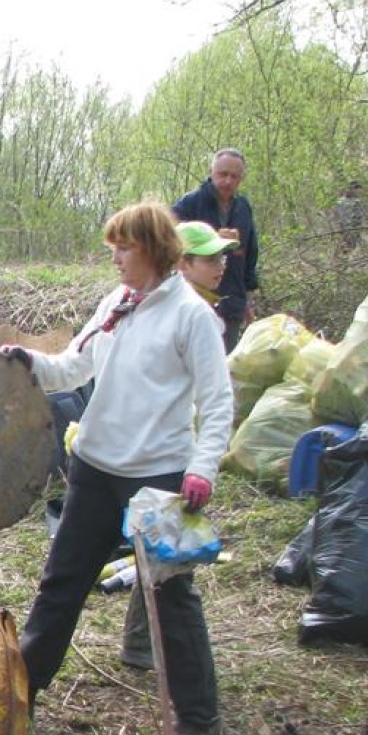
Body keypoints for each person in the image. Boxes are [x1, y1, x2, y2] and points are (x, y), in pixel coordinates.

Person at [0, 201, 233, 735]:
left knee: (171, 597)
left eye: (123, 249)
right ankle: (21, 696)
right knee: (62, 586)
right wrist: (29, 361)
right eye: (113, 249)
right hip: (95, 471)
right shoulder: (116, 304)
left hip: (158, 478)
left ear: (152, 249)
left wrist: (202, 469)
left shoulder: (191, 316)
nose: (116, 260)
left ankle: (200, 720)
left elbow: (218, 401)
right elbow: (73, 367)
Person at [118, 219, 240, 670]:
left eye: (222, 259)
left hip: (172, 449)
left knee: (159, 553)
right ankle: (151, 650)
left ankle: (139, 643)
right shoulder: (160, 310)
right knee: (166, 561)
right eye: (210, 259)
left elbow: (213, 397)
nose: (220, 267)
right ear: (180, 262)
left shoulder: (201, 311)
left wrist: (202, 462)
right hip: (146, 452)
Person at [173, 148, 259, 353]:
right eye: (223, 174)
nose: (228, 181)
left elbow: (250, 254)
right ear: (211, 171)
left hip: (232, 303)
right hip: (191, 301)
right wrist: (213, 239)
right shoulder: (189, 204)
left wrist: (247, 299)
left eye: (234, 176)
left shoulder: (243, 208)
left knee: (223, 366)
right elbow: (165, 243)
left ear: (241, 179)